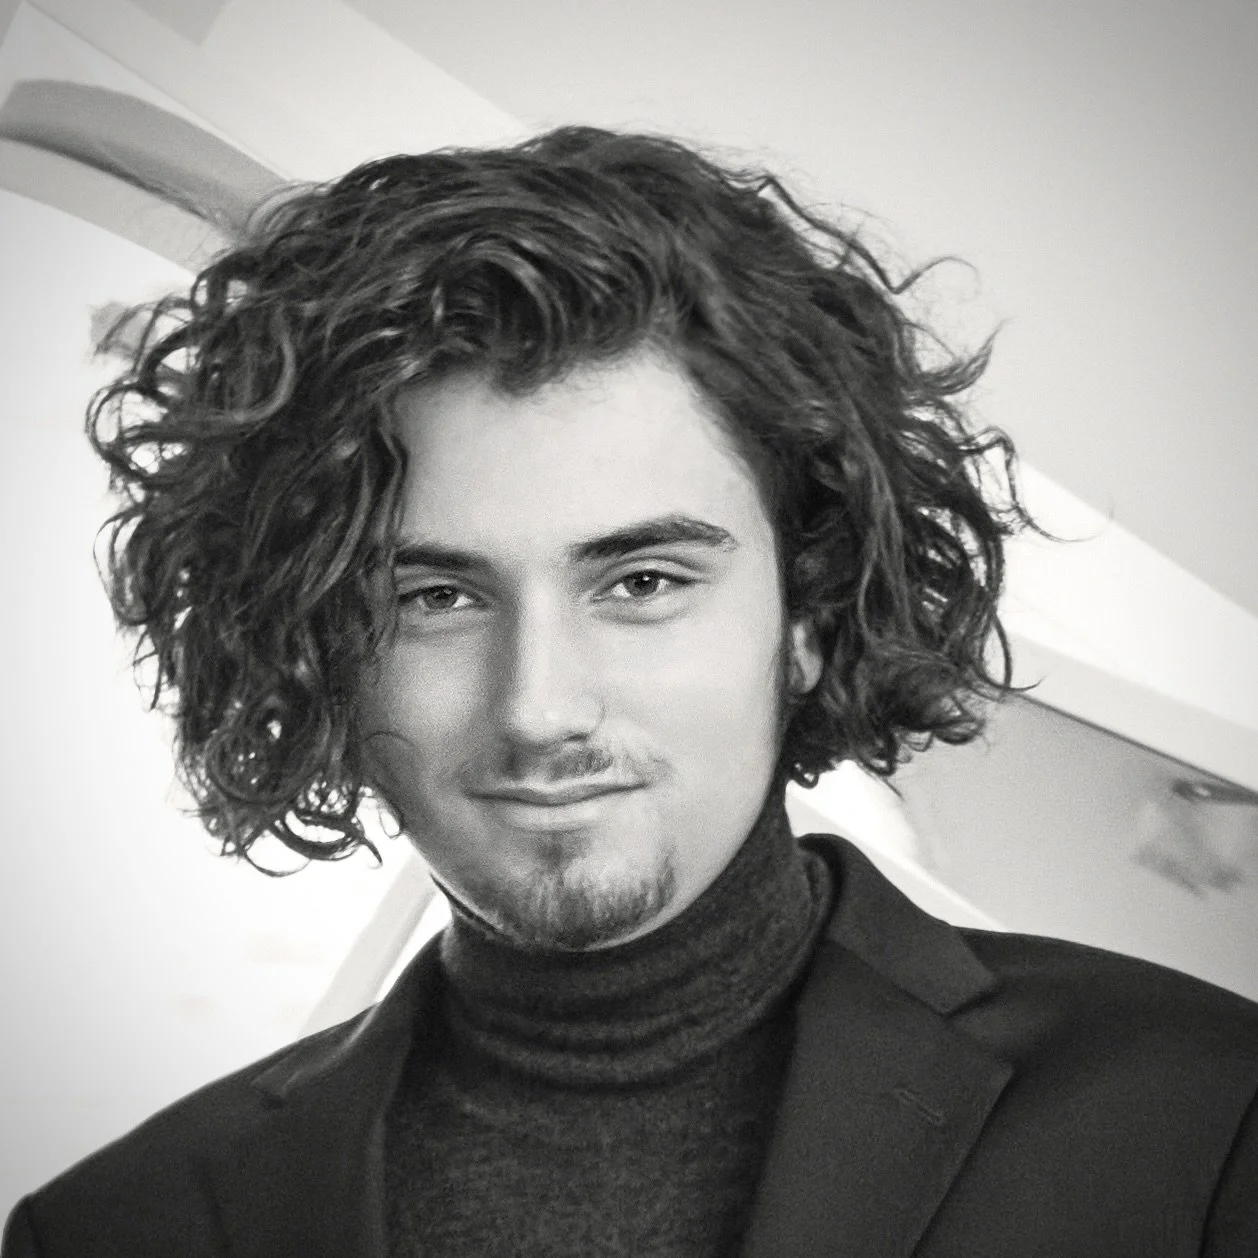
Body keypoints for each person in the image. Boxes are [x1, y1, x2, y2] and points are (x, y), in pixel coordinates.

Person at [4, 126, 1255, 1257]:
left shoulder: (1203, 1113)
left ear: (809, 616)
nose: (538, 706)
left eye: (642, 582)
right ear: (312, 643)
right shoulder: (119, 1228)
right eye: (434, 597)